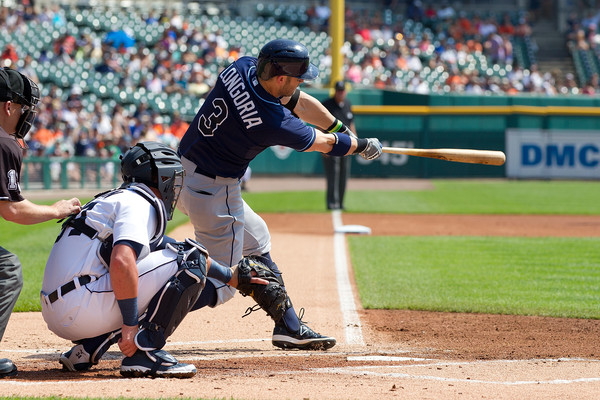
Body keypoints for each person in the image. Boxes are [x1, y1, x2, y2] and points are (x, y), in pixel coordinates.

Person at [177, 39, 383, 350]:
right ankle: (140, 320)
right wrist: (361, 145)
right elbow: (325, 144)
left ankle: (288, 325)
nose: (302, 81)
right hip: (214, 190)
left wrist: (342, 128)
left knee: (257, 240)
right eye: (299, 77)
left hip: (183, 174)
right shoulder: (271, 121)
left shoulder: (242, 66)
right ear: (282, 77)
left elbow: (301, 103)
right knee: (223, 284)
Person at [41, 141, 269, 378]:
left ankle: (89, 346)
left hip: (62, 308)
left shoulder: (118, 199)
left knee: (181, 258)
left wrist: (228, 276)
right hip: (81, 306)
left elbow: (167, 246)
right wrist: (130, 325)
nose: (176, 185)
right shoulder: (140, 203)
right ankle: (144, 351)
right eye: (174, 177)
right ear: (161, 178)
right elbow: (122, 261)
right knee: (190, 261)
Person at [0, 68, 81, 378]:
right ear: (9, 107)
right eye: (24, 107)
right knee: (6, 271)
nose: (26, 115)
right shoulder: (4, 143)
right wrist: (56, 209)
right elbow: (13, 212)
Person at [321, 81, 355, 210]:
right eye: (339, 90)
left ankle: (341, 203)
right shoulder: (327, 104)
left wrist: (356, 141)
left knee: (344, 175)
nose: (341, 92)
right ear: (335, 91)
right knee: (332, 175)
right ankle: (331, 203)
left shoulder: (347, 104)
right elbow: (319, 125)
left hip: (347, 145)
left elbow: (351, 125)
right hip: (331, 145)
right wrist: (321, 146)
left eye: (343, 90)